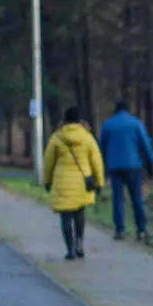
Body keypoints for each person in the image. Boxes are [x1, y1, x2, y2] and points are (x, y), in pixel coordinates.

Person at [43, 105, 105, 261]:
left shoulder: (57, 137)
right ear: (80, 119)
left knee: (66, 216)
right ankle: (79, 243)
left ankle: (70, 249)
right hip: (82, 181)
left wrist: (47, 181)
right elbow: (96, 161)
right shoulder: (87, 137)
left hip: (62, 181)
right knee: (79, 212)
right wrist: (99, 182)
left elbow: (48, 162)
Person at [99, 99, 153, 243]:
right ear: (127, 110)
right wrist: (150, 164)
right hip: (133, 166)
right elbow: (145, 144)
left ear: (115, 111)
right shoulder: (136, 123)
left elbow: (101, 148)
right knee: (137, 198)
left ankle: (120, 230)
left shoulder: (107, 125)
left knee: (118, 198)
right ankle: (141, 229)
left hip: (115, 167)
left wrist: (102, 168)